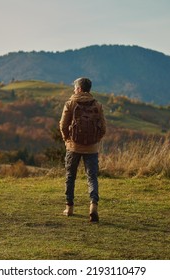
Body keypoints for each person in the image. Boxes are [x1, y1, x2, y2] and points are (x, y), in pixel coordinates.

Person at [59, 77, 106, 222]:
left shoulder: (71, 103)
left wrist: (67, 139)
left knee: (70, 176)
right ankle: (93, 207)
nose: (74, 90)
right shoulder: (97, 105)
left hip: (73, 146)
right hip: (92, 148)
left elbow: (63, 125)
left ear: (79, 89)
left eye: (75, 87)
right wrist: (95, 140)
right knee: (92, 177)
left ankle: (70, 208)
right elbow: (103, 128)